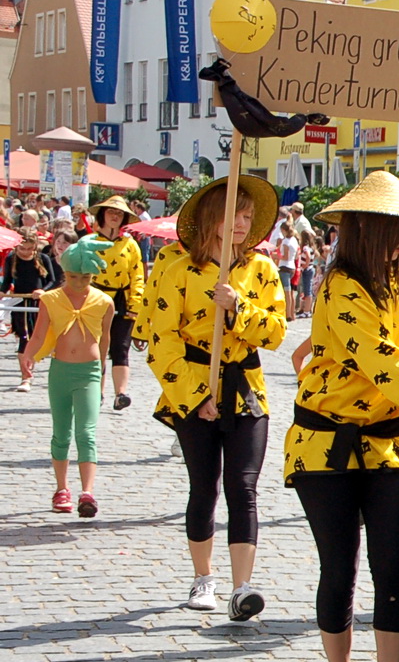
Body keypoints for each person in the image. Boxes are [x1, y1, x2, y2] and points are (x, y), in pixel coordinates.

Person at [284, 172, 399, 662]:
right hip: (326, 444)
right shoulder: (340, 287)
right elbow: (385, 363)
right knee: (341, 566)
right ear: (373, 231)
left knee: (392, 569)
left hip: (388, 442)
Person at [141, 176, 288, 619]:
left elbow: (277, 331)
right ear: (212, 219)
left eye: (248, 216)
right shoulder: (177, 267)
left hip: (246, 388)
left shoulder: (260, 270)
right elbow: (160, 340)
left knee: (243, 486)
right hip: (192, 383)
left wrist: (239, 306)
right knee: (203, 486)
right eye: (234, 215)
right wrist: (194, 395)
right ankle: (203, 577)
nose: (243, 224)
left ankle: (243, 587)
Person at [23, 236, 114, 516]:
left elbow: (105, 341)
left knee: (86, 433)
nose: (79, 281)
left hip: (88, 372)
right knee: (61, 434)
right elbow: (39, 333)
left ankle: (88, 492)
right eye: (74, 276)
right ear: (65, 273)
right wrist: (28, 356)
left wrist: (101, 375)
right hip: (60, 371)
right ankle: (62, 487)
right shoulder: (51, 300)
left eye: (86, 276)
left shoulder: (104, 301)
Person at [87, 196, 146, 411]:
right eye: (111, 212)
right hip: (95, 298)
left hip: (122, 301)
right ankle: (97, 392)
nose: (114, 216)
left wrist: (136, 303)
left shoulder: (131, 245)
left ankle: (121, 393)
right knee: (96, 348)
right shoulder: (89, 242)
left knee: (121, 347)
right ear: (102, 215)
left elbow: (137, 275)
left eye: (119, 213)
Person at [2, 229, 62, 390]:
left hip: (39, 303)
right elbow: (7, 280)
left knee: (37, 337)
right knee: (24, 337)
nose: (26, 252)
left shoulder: (42, 258)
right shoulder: (11, 259)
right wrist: (2, 291)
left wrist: (43, 291)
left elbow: (53, 281)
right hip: (21, 302)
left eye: (30, 249)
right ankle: (26, 377)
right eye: (23, 249)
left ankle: (36, 370)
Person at [272, 219, 301, 303]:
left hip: (284, 267)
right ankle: (290, 313)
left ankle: (287, 314)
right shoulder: (294, 240)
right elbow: (295, 256)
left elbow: (285, 257)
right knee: (290, 293)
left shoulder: (285, 241)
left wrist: (276, 256)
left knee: (285, 293)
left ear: (284, 230)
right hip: (292, 267)